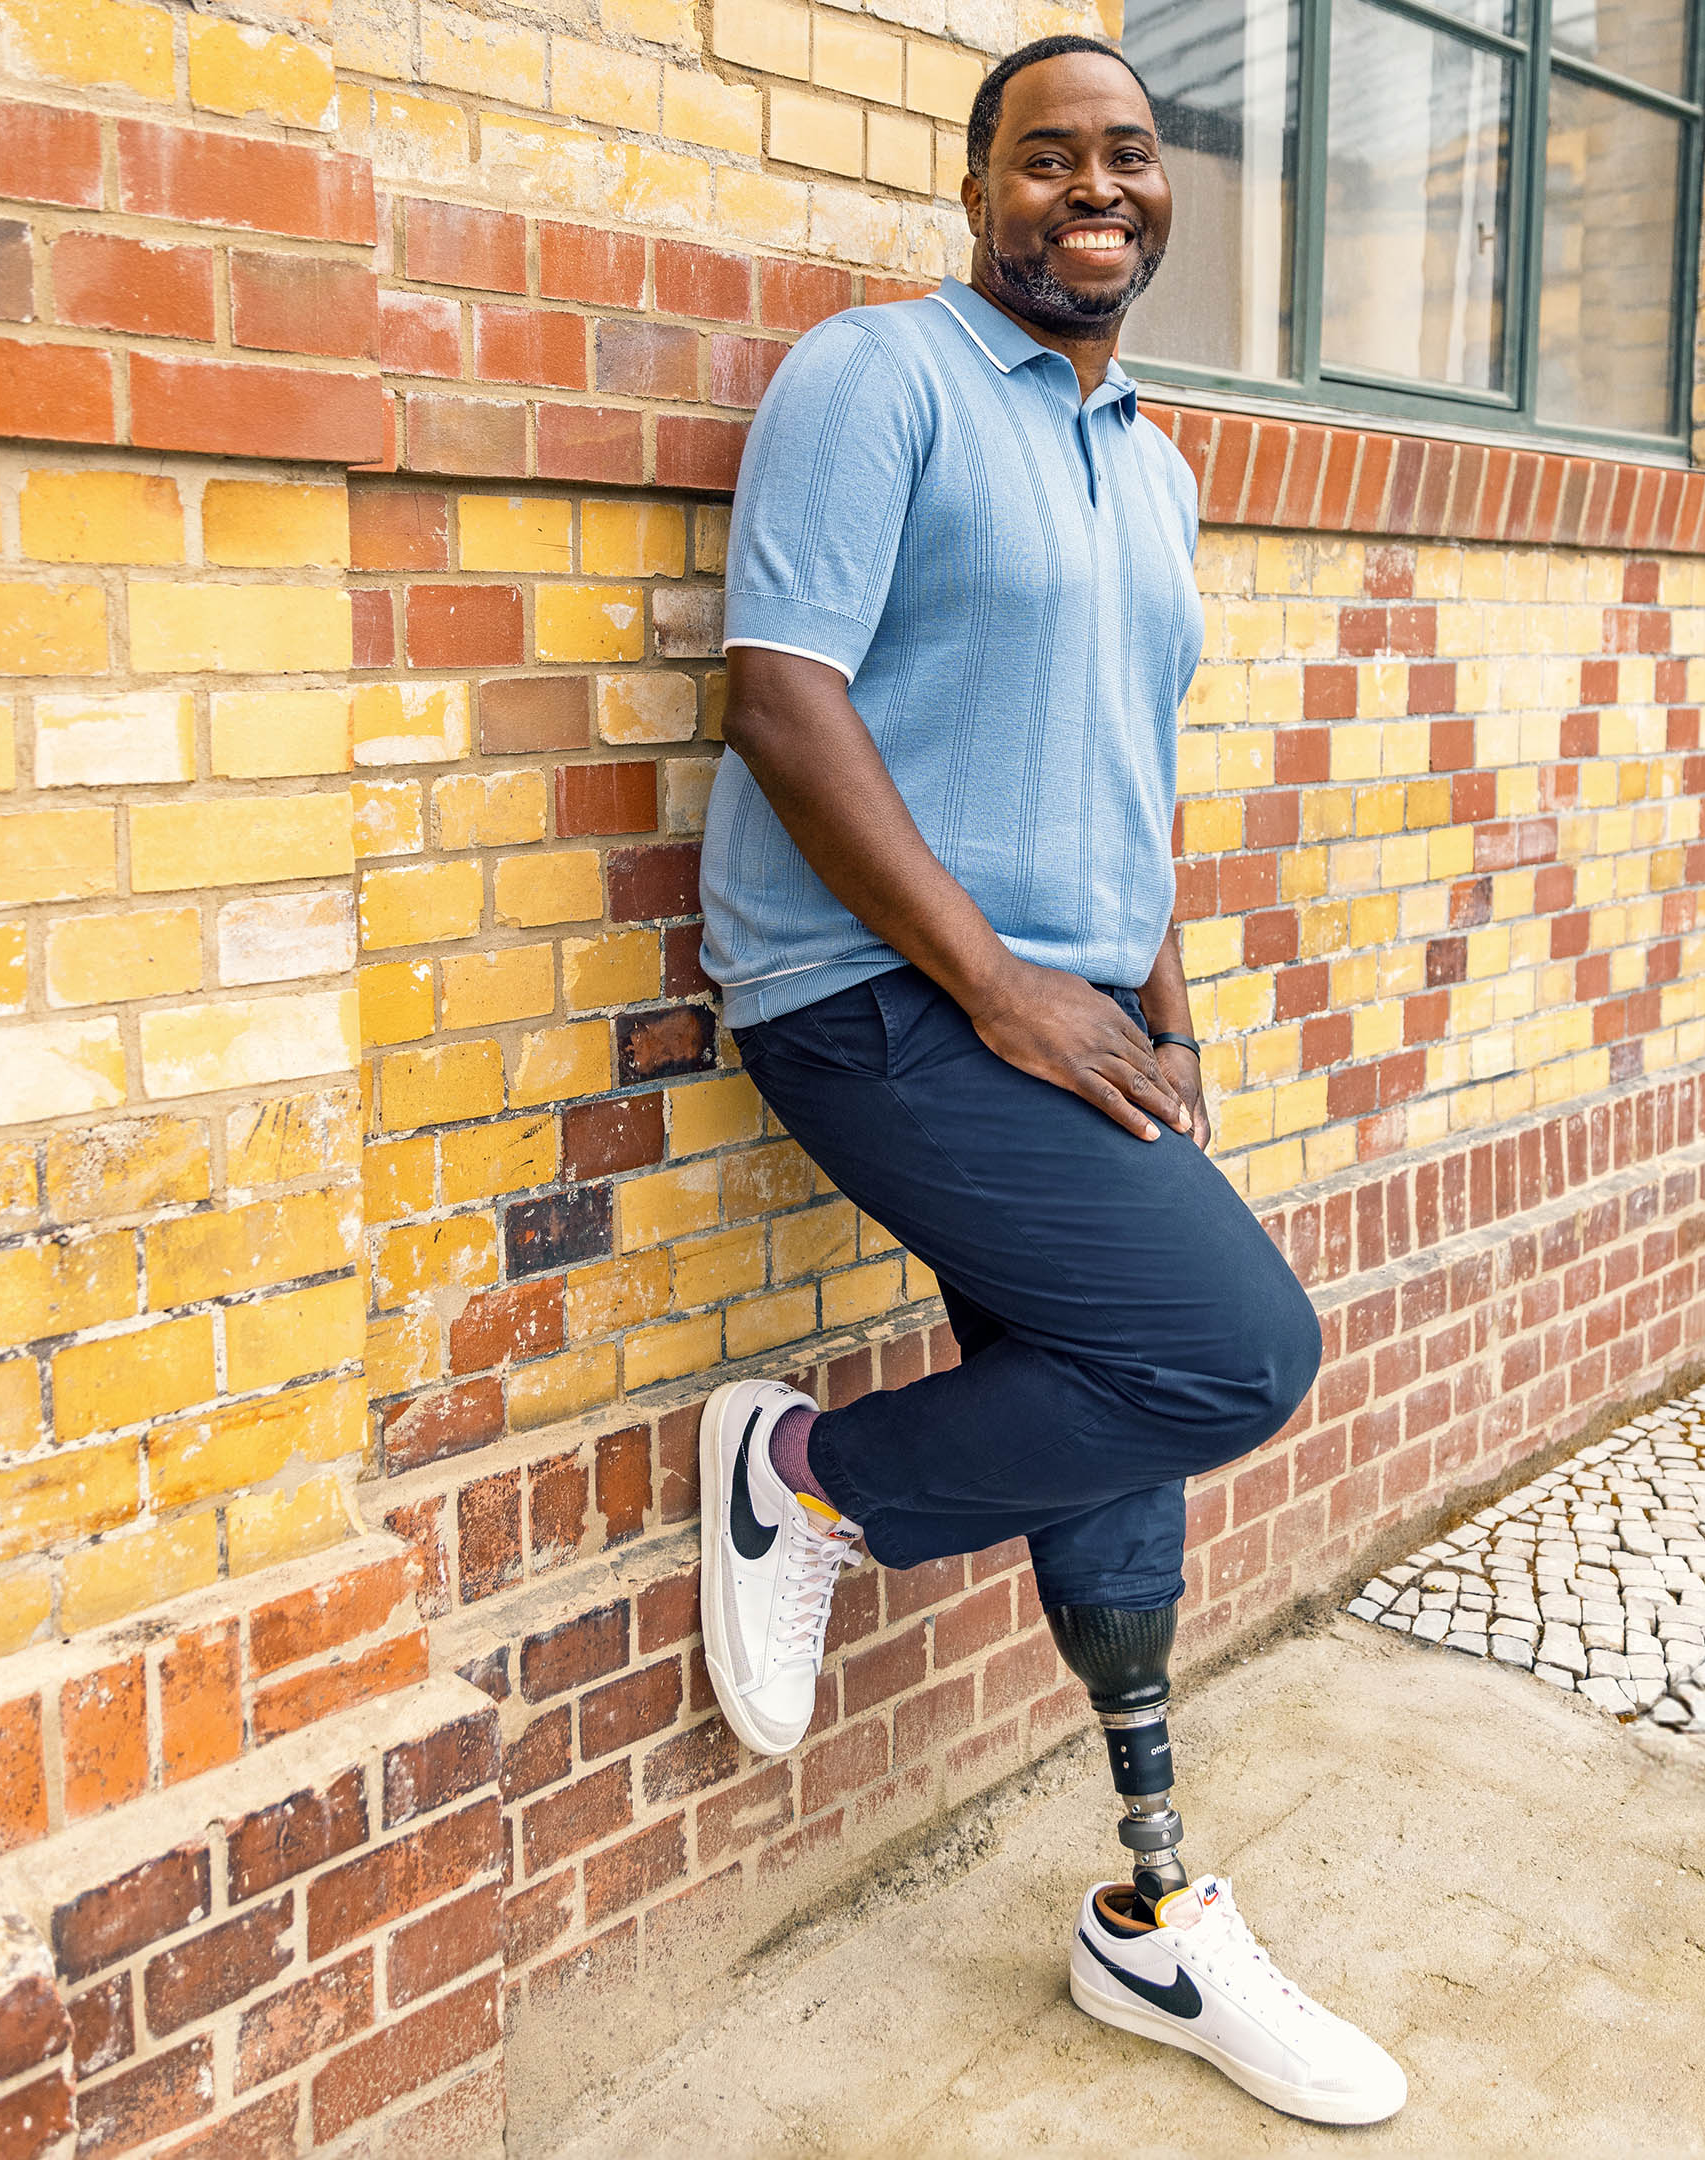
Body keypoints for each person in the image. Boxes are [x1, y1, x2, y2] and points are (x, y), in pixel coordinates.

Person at [687, 32, 1409, 2127]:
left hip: (1074, 1009)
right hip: (872, 995)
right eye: (1045, 156)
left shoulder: (1155, 462)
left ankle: (1155, 1922)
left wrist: (1163, 1008)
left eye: (1129, 155)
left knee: (1121, 1415)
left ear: (1162, 191)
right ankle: (802, 1482)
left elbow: (1128, 768)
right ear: (977, 183)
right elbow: (782, 701)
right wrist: (1004, 991)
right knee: (1231, 1352)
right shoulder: (876, 376)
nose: (1094, 188)